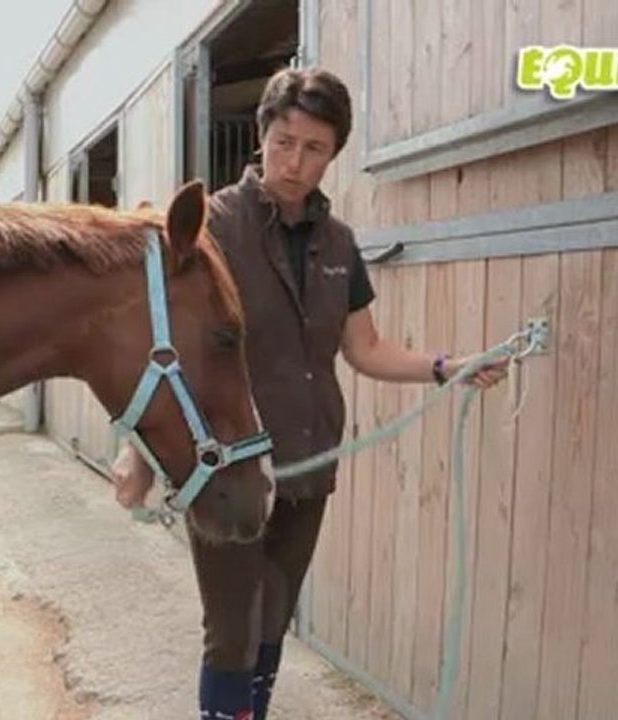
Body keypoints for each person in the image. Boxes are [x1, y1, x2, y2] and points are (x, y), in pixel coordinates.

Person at [111, 67, 508, 720]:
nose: (295, 162)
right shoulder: (212, 228)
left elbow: (365, 348)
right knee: (233, 630)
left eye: (315, 148)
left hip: (309, 459)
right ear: (262, 135)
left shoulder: (339, 243)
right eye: (285, 142)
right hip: (229, 466)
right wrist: (137, 451)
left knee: (273, 617)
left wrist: (447, 366)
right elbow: (159, 345)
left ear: (334, 154)